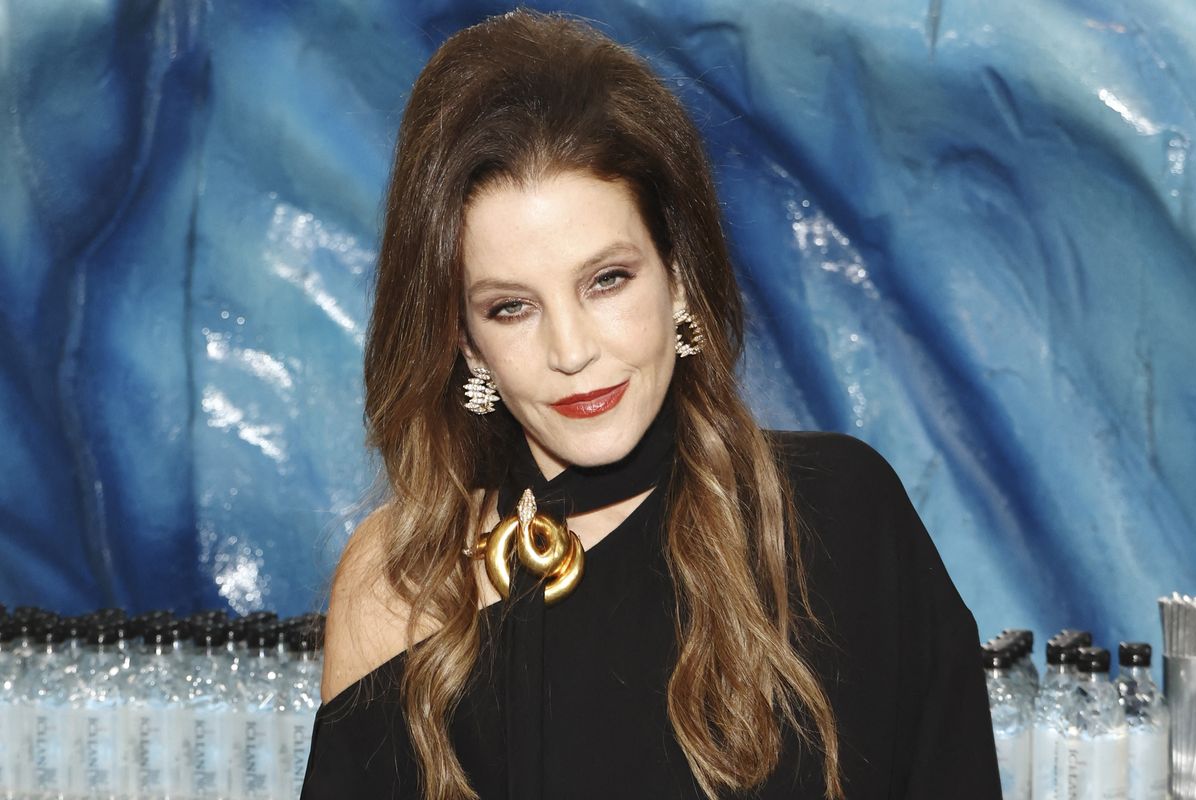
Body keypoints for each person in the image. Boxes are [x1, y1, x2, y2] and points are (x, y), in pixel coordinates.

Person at [301, 9, 1002, 800]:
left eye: (607, 280)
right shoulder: (400, 577)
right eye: (510, 307)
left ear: (677, 270)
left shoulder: (840, 518)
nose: (572, 350)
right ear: (462, 339)